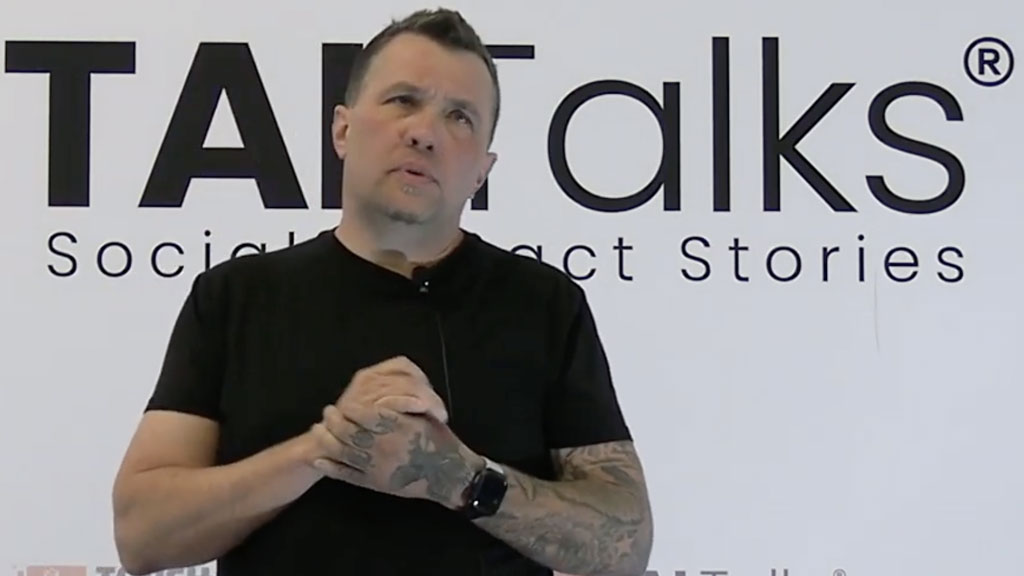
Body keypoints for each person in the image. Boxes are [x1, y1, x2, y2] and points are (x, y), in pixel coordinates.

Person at [111, 7, 654, 576]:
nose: (423, 132)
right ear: (342, 130)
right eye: (402, 100)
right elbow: (141, 536)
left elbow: (626, 546)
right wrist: (325, 448)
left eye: (460, 117)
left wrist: (458, 477)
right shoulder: (236, 297)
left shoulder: (544, 305)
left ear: (482, 171)